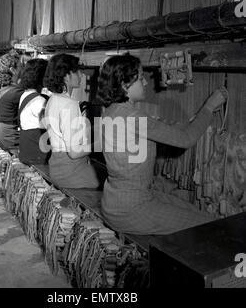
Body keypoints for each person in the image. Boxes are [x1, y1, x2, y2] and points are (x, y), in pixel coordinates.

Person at [97, 54, 227, 235]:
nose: (145, 83)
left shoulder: (109, 111)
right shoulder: (134, 117)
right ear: (124, 84)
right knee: (210, 226)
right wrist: (209, 107)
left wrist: (190, 122)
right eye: (140, 78)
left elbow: (157, 128)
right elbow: (186, 140)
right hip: (132, 209)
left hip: (114, 200)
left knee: (195, 212)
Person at [44, 53, 99, 189]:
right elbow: (74, 153)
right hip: (71, 170)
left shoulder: (53, 99)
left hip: (57, 164)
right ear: (66, 76)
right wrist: (100, 144)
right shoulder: (69, 104)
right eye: (77, 71)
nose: (81, 75)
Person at [18, 59, 49, 165]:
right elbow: (51, 128)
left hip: (25, 151)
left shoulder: (25, 94)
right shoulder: (40, 101)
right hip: (37, 155)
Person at [0, 50, 23, 154]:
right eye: (20, 66)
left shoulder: (2, 86)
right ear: (12, 70)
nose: (22, 69)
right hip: (10, 137)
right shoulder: (15, 92)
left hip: (1, 133)